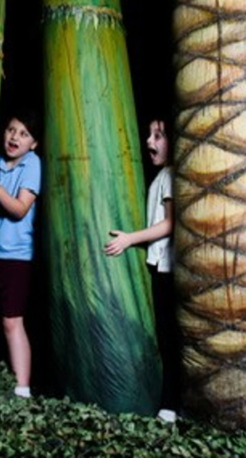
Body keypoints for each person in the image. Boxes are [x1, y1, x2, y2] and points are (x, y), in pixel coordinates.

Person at [104, 116, 178, 422]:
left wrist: (130, 239)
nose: (150, 141)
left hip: (168, 267)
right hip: (158, 265)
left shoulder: (172, 175)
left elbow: (170, 223)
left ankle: (171, 405)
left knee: (170, 337)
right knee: (162, 334)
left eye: (158, 135)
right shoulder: (160, 175)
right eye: (149, 135)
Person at [0, 112, 41, 398]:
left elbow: (19, 210)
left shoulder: (32, 164)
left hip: (16, 258)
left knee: (12, 321)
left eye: (24, 134)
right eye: (11, 129)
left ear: (34, 143)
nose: (15, 137)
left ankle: (22, 389)